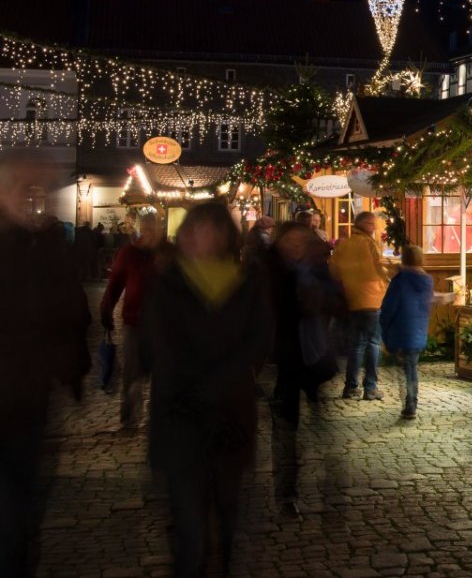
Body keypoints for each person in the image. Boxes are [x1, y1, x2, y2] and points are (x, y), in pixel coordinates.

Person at [139, 201, 272, 577]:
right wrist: (199, 385)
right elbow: (158, 347)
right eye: (195, 229)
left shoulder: (247, 281)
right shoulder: (168, 283)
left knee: (229, 519)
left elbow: (258, 340)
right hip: (181, 420)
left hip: (230, 420)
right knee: (189, 529)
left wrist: (225, 381)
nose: (201, 238)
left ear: (224, 236)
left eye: (211, 229)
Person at [0, 158, 91, 577]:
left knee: (26, 497)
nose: (31, 195)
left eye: (37, 187)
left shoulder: (49, 246)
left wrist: (74, 366)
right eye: (22, 185)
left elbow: (71, 311)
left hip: (31, 395)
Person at [267, 222, 340, 519]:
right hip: (284, 360)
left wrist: (323, 300)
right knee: (286, 431)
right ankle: (286, 493)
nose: (296, 246)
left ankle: (329, 480)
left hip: (314, 357)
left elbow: (337, 301)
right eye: (291, 241)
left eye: (301, 240)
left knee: (321, 425)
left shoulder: (317, 268)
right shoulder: (271, 271)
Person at [99, 212, 169, 430]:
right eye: (147, 227)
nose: (150, 231)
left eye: (154, 227)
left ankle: (160, 418)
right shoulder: (128, 253)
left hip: (163, 325)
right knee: (132, 373)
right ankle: (130, 417)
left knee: (163, 375)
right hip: (134, 321)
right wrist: (106, 310)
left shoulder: (168, 253)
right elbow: (116, 283)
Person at [329, 211, 391, 400]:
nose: (374, 227)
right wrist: (389, 277)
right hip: (372, 299)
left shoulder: (345, 244)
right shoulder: (369, 244)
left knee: (356, 345)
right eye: (372, 224)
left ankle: (350, 386)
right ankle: (370, 387)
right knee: (372, 344)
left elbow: (333, 270)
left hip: (353, 300)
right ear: (363, 224)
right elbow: (379, 268)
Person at [380, 244, 435, 421]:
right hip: (418, 332)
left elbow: (389, 308)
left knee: (407, 370)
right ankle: (411, 402)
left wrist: (384, 333)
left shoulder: (401, 281)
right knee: (411, 368)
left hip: (400, 331)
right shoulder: (426, 280)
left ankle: (410, 404)